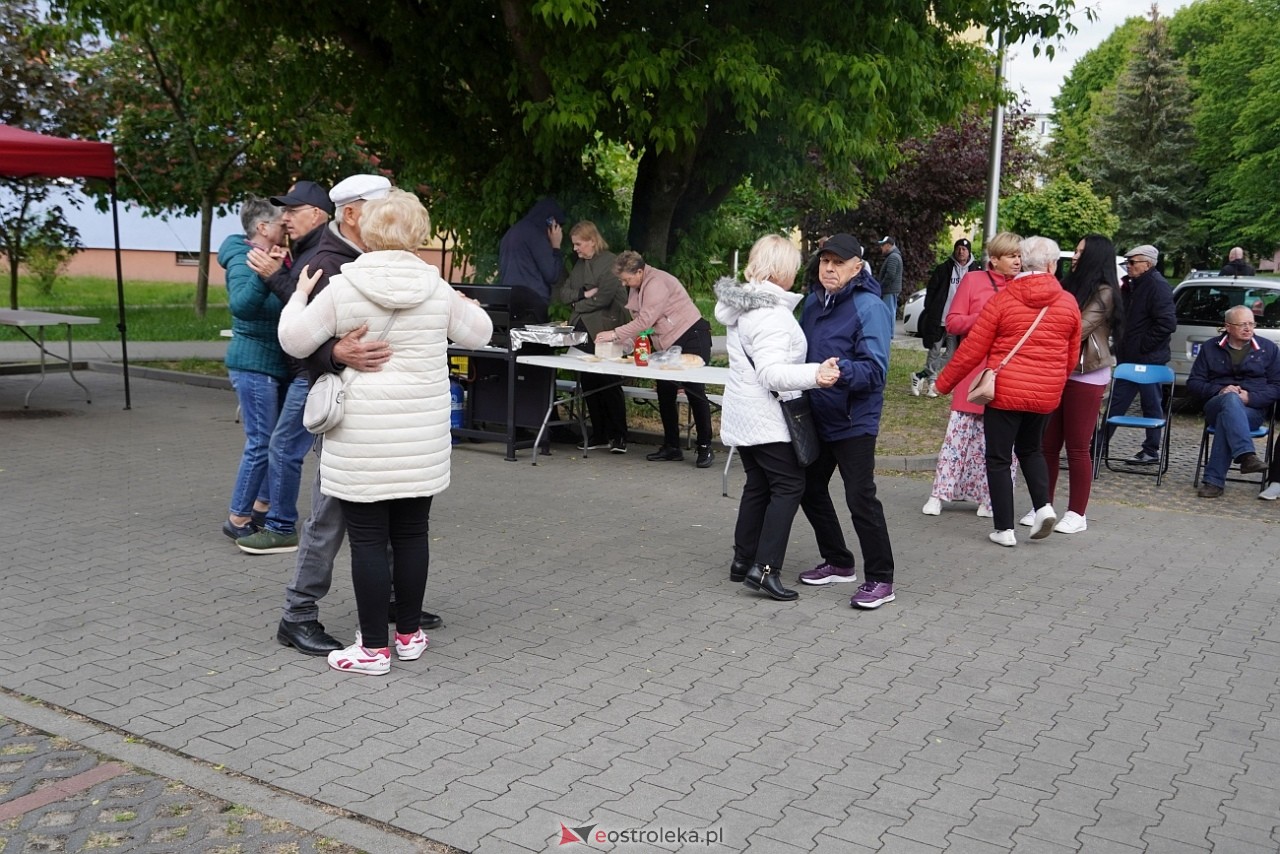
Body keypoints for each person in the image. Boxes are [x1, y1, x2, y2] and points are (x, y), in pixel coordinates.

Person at [278, 189, 493, 675]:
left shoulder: (345, 286)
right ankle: (410, 634)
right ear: (419, 233)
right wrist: (460, 301)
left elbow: (293, 340)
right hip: (422, 436)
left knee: (369, 539)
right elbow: (479, 334)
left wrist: (296, 298)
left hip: (362, 436)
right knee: (414, 534)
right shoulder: (435, 287)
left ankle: (373, 649)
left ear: (368, 229)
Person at [253, 175, 440, 657]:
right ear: (355, 214)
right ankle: (297, 614)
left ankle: (396, 605)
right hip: (346, 414)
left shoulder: (368, 262)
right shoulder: (328, 263)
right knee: (331, 514)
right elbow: (296, 346)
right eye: (384, 208)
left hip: (383, 417)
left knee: (391, 510)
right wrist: (336, 353)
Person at [714, 235, 840, 601]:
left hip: (745, 411)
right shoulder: (770, 314)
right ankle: (765, 569)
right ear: (783, 269)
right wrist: (816, 374)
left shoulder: (745, 306)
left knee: (758, 484)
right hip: (766, 415)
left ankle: (743, 561)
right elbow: (771, 373)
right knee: (788, 486)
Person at [935, 236, 1082, 547]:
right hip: (1045, 394)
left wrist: (943, 382)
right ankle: (1043, 507)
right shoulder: (1068, 302)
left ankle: (1004, 529)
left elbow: (973, 350)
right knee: (1032, 450)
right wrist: (1055, 383)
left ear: (1022, 262)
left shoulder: (1002, 300)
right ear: (1052, 265)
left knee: (999, 457)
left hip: (1005, 391)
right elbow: (1071, 355)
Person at [795, 234, 898, 609]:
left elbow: (876, 371)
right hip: (818, 413)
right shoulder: (811, 303)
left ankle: (881, 579)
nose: (829, 268)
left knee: (860, 498)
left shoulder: (869, 306)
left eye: (838, 263)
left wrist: (840, 372)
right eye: (825, 261)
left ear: (858, 266)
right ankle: (838, 561)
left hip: (855, 419)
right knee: (808, 486)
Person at [921, 232, 1023, 519]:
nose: (1018, 261)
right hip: (973, 368)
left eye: (1019, 256)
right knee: (958, 436)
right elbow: (952, 322)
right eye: (1012, 256)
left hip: (1008, 372)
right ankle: (940, 494)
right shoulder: (974, 280)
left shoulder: (1023, 286)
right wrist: (984, 317)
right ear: (995, 259)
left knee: (999, 442)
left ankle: (989, 497)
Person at [1028, 234, 1123, 535]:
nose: (1074, 256)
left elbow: (1077, 328)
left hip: (1088, 374)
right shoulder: (1069, 286)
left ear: (1095, 255)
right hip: (1060, 372)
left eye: (1081, 252)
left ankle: (1077, 513)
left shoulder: (1105, 292)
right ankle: (1043, 506)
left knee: (1078, 447)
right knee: (1048, 444)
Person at [595, 251, 716, 468]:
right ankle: (672, 446)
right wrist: (623, 346)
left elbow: (645, 320)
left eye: (626, 279)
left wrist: (614, 334)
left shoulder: (656, 282)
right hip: (668, 342)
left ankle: (705, 446)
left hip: (692, 335)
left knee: (695, 390)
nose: (624, 283)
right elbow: (641, 325)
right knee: (665, 390)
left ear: (639, 271)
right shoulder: (637, 286)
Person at [218, 197, 290, 543]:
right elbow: (242, 307)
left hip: (271, 366)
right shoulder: (245, 258)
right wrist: (266, 277)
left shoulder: (274, 256)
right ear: (262, 228)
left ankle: (261, 507)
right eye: (281, 221)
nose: (287, 225)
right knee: (261, 442)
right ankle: (238, 517)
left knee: (271, 442)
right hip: (253, 363)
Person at [1187, 305, 1280, 498]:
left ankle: (1214, 482)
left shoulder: (1268, 349)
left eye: (1251, 323)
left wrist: (1250, 397)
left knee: (1227, 419)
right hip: (1216, 404)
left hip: (1251, 411)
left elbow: (1277, 386)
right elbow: (1194, 383)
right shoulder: (1210, 348)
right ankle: (1246, 455)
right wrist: (1219, 390)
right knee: (1229, 399)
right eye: (1242, 324)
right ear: (1228, 327)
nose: (1248, 328)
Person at [558, 221, 630, 454]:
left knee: (609, 382)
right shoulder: (580, 264)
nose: (576, 249)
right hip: (583, 331)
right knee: (589, 382)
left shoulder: (611, 261)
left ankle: (619, 435)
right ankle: (599, 432)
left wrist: (577, 304)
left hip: (606, 329)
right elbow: (564, 293)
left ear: (592, 240)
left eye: (579, 244)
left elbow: (605, 298)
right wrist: (584, 293)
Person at [1105, 244, 1176, 466]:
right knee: (1116, 404)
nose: (1128, 267)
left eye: (1132, 262)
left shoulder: (1157, 286)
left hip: (1148, 359)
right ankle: (1098, 447)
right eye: (1127, 263)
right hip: (1129, 357)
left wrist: (1143, 346)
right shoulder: (1132, 285)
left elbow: (1167, 323)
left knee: (1151, 404)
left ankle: (1151, 450)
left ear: (1147, 264)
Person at [910, 238, 975, 398]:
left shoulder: (975, 270)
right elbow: (931, 291)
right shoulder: (944, 269)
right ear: (955, 250)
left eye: (964, 249)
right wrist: (931, 310)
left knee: (951, 354)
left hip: (959, 320)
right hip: (941, 318)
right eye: (958, 248)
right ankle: (932, 383)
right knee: (934, 350)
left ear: (969, 252)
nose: (961, 252)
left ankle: (920, 375)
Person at [499, 198, 567, 326]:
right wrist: (556, 246)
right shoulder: (536, 235)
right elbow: (552, 274)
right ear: (551, 223)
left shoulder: (512, 232)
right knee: (533, 345)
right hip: (532, 302)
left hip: (508, 299)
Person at [876, 235, 903, 319]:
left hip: (889, 290)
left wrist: (881, 286)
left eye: (882, 245)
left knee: (888, 314)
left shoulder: (893, 257)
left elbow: (890, 275)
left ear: (888, 245)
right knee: (889, 313)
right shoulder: (894, 256)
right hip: (891, 290)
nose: (881, 248)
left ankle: (888, 332)